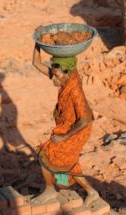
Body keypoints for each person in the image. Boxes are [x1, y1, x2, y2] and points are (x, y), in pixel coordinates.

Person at [32, 42, 99, 205]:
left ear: (68, 73)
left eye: (56, 76)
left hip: (78, 130)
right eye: (53, 74)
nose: (53, 78)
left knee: (46, 154)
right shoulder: (65, 77)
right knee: (68, 161)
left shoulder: (75, 90)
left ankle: (49, 190)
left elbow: (85, 119)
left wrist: (63, 137)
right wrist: (38, 42)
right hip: (68, 125)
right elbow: (36, 63)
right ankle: (91, 192)